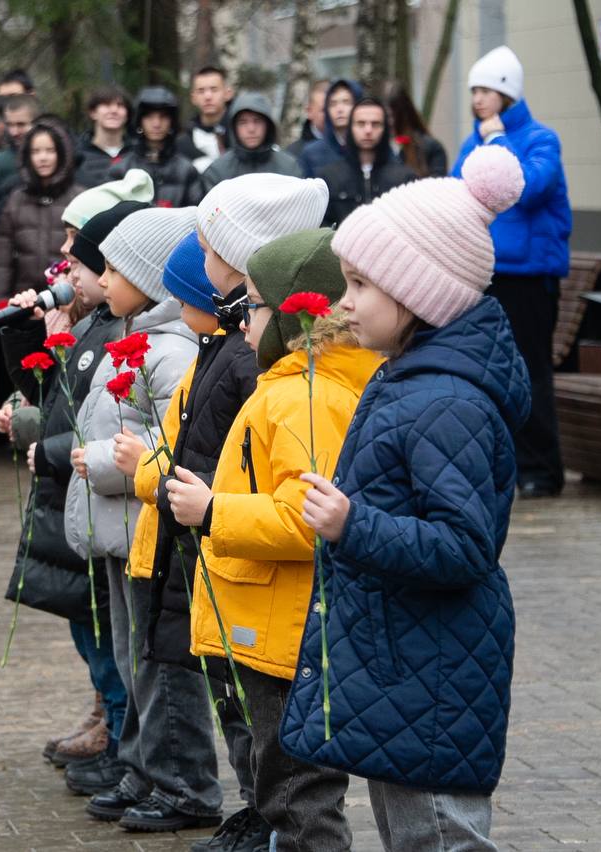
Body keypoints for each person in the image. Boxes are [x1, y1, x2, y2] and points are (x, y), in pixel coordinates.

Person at [282, 145, 531, 852]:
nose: (345, 302)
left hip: (433, 670)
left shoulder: (446, 400)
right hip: (404, 663)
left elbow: (464, 545)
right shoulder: (408, 379)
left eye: (361, 284)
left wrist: (352, 525)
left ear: (418, 294)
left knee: (438, 838)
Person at [116, 173, 331, 852]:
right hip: (214, 552)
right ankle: (257, 815)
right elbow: (192, 440)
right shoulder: (234, 352)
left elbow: (280, 494)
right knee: (243, 713)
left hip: (245, 567)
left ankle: (259, 816)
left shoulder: (272, 376)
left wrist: (201, 504)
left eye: (206, 249)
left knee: (278, 748)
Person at [165, 228, 385, 852]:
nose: (240, 318)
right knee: (287, 786)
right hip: (277, 620)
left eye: (254, 304)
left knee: (294, 790)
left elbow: (306, 518)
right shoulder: (292, 386)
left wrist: (213, 512)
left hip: (282, 628)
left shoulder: (301, 398)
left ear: (297, 314)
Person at [0, 192, 150, 777]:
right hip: (73, 494)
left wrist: (50, 444)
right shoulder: (86, 325)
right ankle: (111, 724)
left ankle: (122, 738)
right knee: (90, 626)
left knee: (112, 630)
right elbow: (52, 397)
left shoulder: (114, 331)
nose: (62, 257)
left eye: (77, 248)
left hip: (94, 489)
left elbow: (104, 421)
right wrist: (27, 338)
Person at [60, 207, 200, 813]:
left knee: (157, 662)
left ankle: (180, 782)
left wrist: (107, 463)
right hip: (121, 530)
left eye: (115, 269)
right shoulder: (127, 338)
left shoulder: (168, 353)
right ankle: (141, 768)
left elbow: (169, 443)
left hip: (147, 525)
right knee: (129, 655)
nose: (103, 280)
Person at [452, 45, 571, 498]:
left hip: (530, 276)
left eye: (487, 90)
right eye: (474, 90)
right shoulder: (473, 141)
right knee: (491, 370)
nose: (478, 99)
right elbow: (456, 187)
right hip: (488, 272)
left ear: (508, 94)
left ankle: (542, 469)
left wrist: (497, 142)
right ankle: (506, 465)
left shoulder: (541, 139)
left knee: (530, 369)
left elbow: (527, 186)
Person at [0, 121, 83, 306]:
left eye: (50, 150)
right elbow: (2, 261)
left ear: (62, 154)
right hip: (25, 300)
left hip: (69, 300)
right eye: (36, 151)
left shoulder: (79, 198)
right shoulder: (16, 199)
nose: (43, 158)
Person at [318, 98, 416, 228]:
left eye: (375, 124)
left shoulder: (404, 177)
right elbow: (321, 226)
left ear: (385, 129)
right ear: (350, 128)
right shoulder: (329, 177)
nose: (368, 130)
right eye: (361, 123)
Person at [107, 87, 202, 208]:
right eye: (149, 117)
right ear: (139, 121)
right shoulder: (120, 169)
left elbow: (196, 214)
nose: (156, 123)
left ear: (172, 122)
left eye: (163, 117)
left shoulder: (187, 170)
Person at [199, 91, 302, 192]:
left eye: (257, 121)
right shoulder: (218, 171)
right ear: (233, 128)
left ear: (268, 125)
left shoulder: (288, 168)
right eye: (243, 122)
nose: (251, 129)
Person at [296, 78, 362, 177]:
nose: (339, 109)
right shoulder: (312, 154)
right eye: (333, 104)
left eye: (346, 102)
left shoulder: (370, 149)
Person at [383, 81, 447, 177]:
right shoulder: (371, 150)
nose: (389, 122)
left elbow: (437, 187)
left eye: (392, 116)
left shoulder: (431, 148)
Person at [177, 66, 233, 172]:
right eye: (201, 91)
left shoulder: (242, 134)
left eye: (214, 90)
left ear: (227, 93)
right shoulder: (184, 142)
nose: (208, 96)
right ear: (193, 98)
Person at [74, 85, 131, 188]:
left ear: (127, 115)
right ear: (93, 113)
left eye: (120, 105)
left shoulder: (137, 152)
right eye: (106, 104)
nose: (114, 110)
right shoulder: (77, 154)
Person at [0, 93, 40, 191]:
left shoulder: (57, 158)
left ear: (37, 122)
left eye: (21, 124)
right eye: (10, 125)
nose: (14, 132)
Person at [286, 80, 330, 160]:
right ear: (309, 111)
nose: (330, 114)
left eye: (332, 107)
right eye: (324, 110)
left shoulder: (352, 149)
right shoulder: (294, 154)